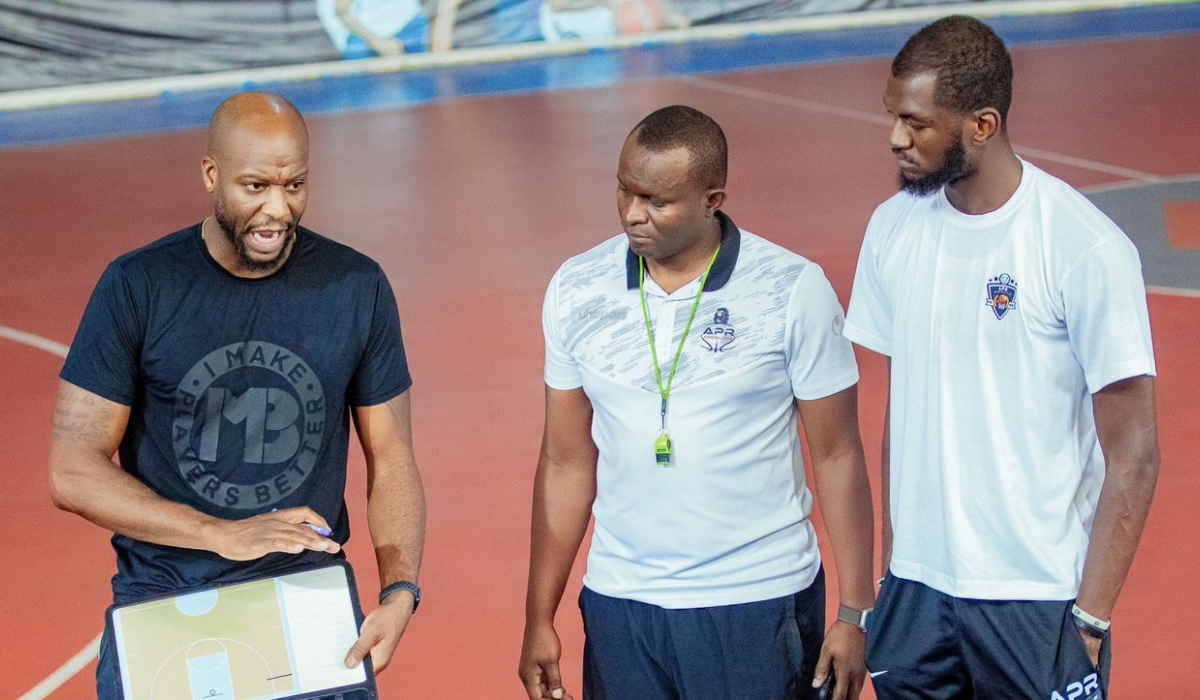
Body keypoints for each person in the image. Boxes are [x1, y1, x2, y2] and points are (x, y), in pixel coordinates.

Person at [48, 92, 426, 699]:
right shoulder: (138, 286)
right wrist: (217, 532)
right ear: (210, 175)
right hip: (169, 591)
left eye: (295, 185)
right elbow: (72, 471)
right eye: (254, 187)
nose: (277, 209)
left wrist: (400, 589)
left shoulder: (358, 285)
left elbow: (393, 455)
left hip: (307, 594)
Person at [843, 16, 1160, 700]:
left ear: (981, 125)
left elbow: (1134, 447)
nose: (896, 138)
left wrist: (1092, 616)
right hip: (917, 593)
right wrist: (897, 567)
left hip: (1035, 597)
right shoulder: (892, 228)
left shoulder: (1083, 247)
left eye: (916, 122)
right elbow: (907, 403)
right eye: (893, 117)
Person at [519, 105, 875, 700]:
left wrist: (855, 611)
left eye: (658, 201)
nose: (634, 214)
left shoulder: (792, 289)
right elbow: (564, 461)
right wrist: (538, 616)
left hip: (756, 602)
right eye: (625, 191)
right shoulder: (575, 288)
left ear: (713, 199)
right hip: (622, 604)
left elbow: (838, 455)